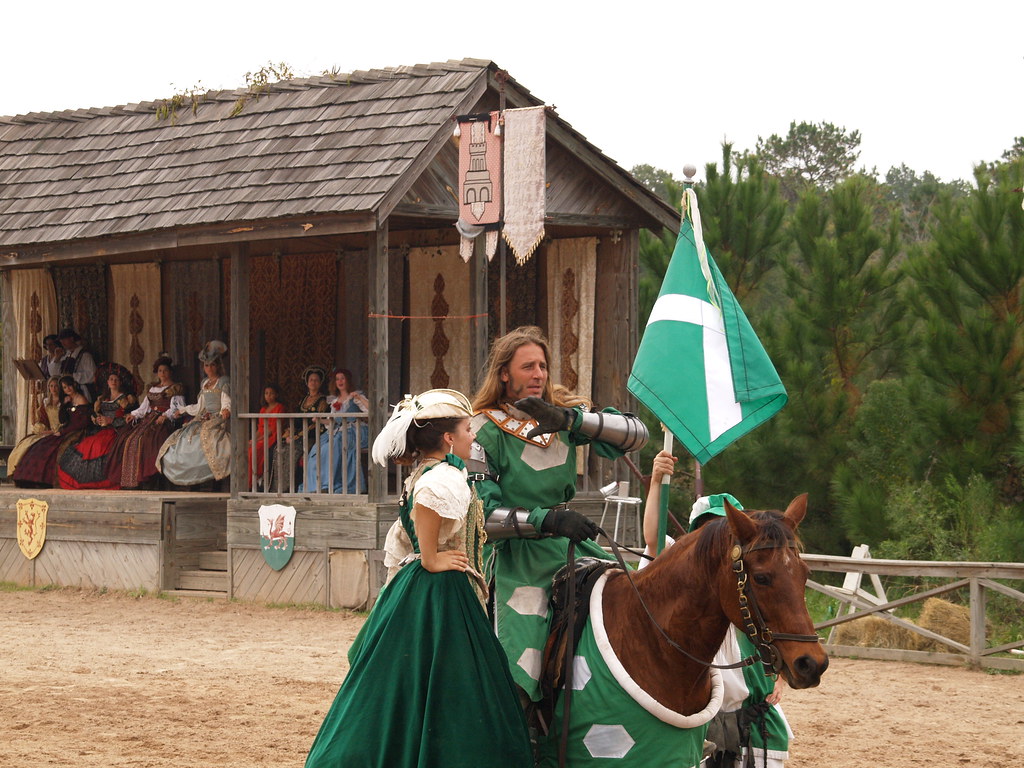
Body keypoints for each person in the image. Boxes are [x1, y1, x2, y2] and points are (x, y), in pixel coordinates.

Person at [304, 389, 532, 768]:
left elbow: (403, 531)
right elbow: (427, 505)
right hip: (438, 595)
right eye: (467, 429)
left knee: (414, 681)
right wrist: (431, 559)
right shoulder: (442, 475)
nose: (472, 436)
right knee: (447, 681)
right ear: (448, 438)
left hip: (425, 592)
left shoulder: (426, 471)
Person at [467, 325, 649, 703]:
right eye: (527, 366)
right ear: (504, 373)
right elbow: (480, 513)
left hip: (570, 548)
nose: (538, 374)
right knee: (523, 656)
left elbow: (637, 434)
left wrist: (571, 421)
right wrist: (546, 520)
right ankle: (523, 733)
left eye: (543, 366)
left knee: (637, 605)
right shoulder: (482, 428)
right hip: (515, 559)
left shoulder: (563, 418)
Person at [639, 452, 792, 768]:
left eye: (725, 528)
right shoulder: (679, 576)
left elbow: (780, 623)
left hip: (748, 717)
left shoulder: (743, 580)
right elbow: (653, 541)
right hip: (696, 714)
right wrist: (656, 481)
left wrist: (780, 676)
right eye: (709, 527)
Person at [156, 341, 231, 487]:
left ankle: (210, 481)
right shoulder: (205, 383)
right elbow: (199, 407)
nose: (208, 368)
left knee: (209, 440)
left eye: (212, 365)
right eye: (206, 365)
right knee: (182, 439)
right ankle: (190, 480)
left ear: (217, 366)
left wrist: (224, 411)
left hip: (218, 418)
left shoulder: (223, 382)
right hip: (204, 417)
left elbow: (226, 402)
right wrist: (183, 410)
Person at [56, 365, 138, 490]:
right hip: (102, 429)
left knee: (100, 446)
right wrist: (97, 419)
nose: (113, 382)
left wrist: (111, 421)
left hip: (117, 430)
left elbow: (130, 418)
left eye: (116, 380)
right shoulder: (102, 399)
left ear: (120, 382)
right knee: (86, 444)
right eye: (111, 379)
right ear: (107, 382)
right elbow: (95, 415)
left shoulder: (126, 399)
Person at [120, 355, 186, 489]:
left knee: (148, 440)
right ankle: (132, 479)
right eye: (160, 371)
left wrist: (166, 416)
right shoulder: (153, 389)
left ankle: (149, 478)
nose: (162, 373)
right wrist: (133, 415)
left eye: (165, 370)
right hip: (148, 419)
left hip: (163, 421)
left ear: (170, 372)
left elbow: (179, 408)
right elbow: (144, 407)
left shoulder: (175, 389)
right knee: (129, 438)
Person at [12, 376, 91, 487]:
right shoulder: (68, 399)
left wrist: (62, 432)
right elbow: (63, 419)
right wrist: (64, 405)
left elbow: (81, 423)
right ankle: (30, 479)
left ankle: (45, 480)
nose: (67, 389)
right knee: (41, 444)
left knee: (54, 448)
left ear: (74, 385)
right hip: (65, 429)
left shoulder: (81, 399)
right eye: (64, 387)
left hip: (77, 431)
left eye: (69, 385)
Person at [302, 368, 369, 494]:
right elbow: (332, 422)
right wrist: (320, 420)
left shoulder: (354, 396)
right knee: (317, 449)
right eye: (337, 379)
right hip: (337, 431)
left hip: (352, 430)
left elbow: (371, 409)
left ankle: (330, 484)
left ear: (348, 380)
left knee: (333, 446)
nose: (340, 381)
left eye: (342, 378)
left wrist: (360, 397)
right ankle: (316, 485)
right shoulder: (334, 401)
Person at [281, 365, 329, 488]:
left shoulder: (323, 400)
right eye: (311, 380)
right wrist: (290, 432)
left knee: (295, 450)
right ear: (307, 382)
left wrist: (297, 436)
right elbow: (296, 419)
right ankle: (279, 486)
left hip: (314, 434)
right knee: (279, 448)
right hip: (299, 434)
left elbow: (316, 423)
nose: (313, 382)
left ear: (320, 383)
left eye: (316, 380)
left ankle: (295, 486)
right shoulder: (303, 400)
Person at [6, 376, 64, 478]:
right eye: (51, 386)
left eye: (56, 386)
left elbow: (65, 421)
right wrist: (42, 428)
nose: (53, 389)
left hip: (59, 430)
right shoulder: (46, 401)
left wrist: (53, 431)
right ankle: (17, 471)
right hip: (47, 430)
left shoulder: (64, 402)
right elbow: (43, 419)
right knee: (26, 443)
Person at [248, 383, 284, 489]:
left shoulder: (279, 408)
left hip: (272, 437)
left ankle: (256, 479)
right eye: (266, 393)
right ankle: (248, 481)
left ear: (276, 395)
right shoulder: (263, 409)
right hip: (261, 437)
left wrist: (256, 440)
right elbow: (260, 429)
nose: (268, 396)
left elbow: (272, 430)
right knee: (247, 448)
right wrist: (252, 439)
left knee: (255, 450)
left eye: (271, 393)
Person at [57, 328, 97, 401]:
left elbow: (92, 375)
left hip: (81, 392)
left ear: (71, 339)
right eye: (61, 341)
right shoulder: (66, 356)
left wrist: (73, 377)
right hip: (68, 394)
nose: (62, 343)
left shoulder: (85, 355)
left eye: (64, 340)